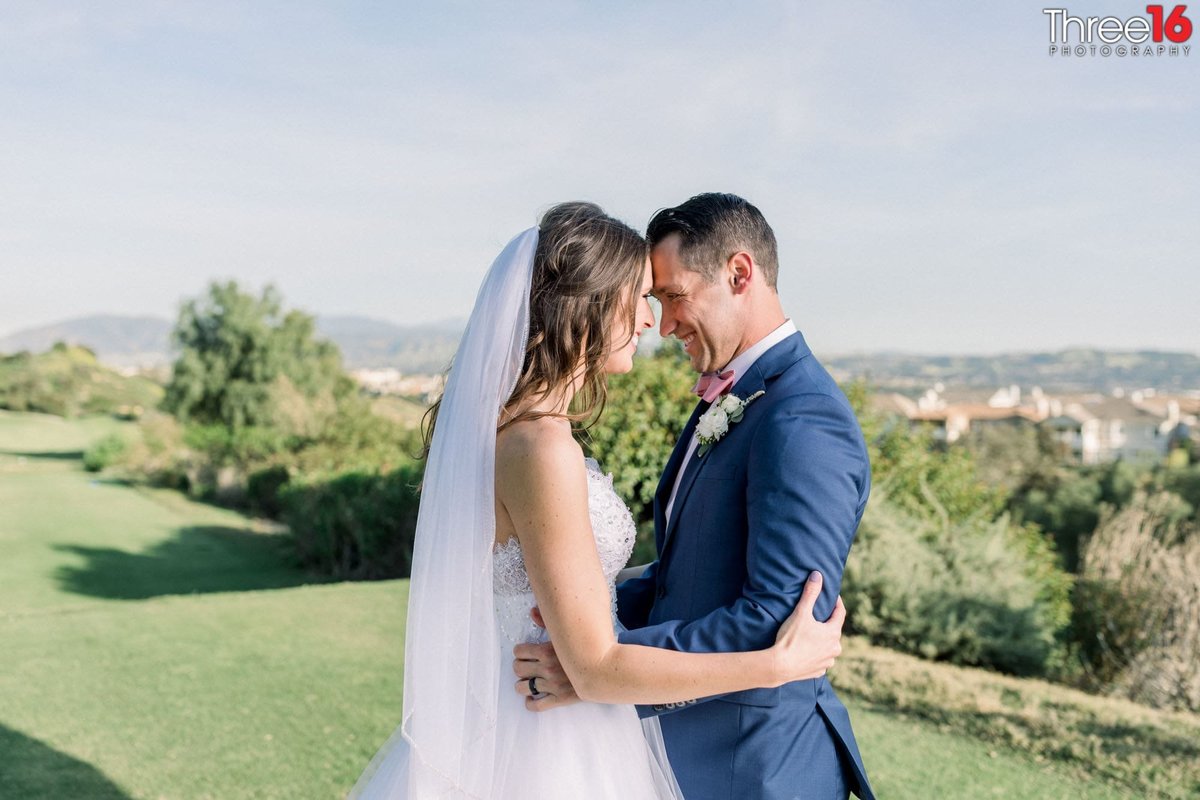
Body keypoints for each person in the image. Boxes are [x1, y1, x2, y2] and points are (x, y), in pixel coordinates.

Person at [346, 202, 846, 799]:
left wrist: (588, 644)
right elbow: (597, 666)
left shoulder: (522, 433)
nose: (651, 323)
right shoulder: (541, 447)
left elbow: (606, 592)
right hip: (550, 745)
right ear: (586, 304)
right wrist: (777, 665)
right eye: (639, 297)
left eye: (661, 298)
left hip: (562, 726)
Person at [513, 194, 876, 800]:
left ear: (739, 274)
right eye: (653, 302)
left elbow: (775, 620)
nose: (663, 323)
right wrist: (580, 622)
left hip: (756, 770)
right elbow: (689, 574)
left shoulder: (803, 419)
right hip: (683, 754)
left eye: (674, 297)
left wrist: (597, 669)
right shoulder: (735, 397)